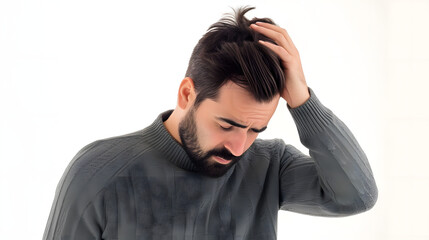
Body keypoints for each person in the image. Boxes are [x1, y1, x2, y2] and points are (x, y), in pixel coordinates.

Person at [43, 6, 377, 240]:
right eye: (227, 125)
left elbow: (356, 196)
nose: (238, 148)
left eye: (255, 130)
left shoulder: (269, 166)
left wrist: (303, 101)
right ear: (187, 94)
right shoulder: (99, 172)